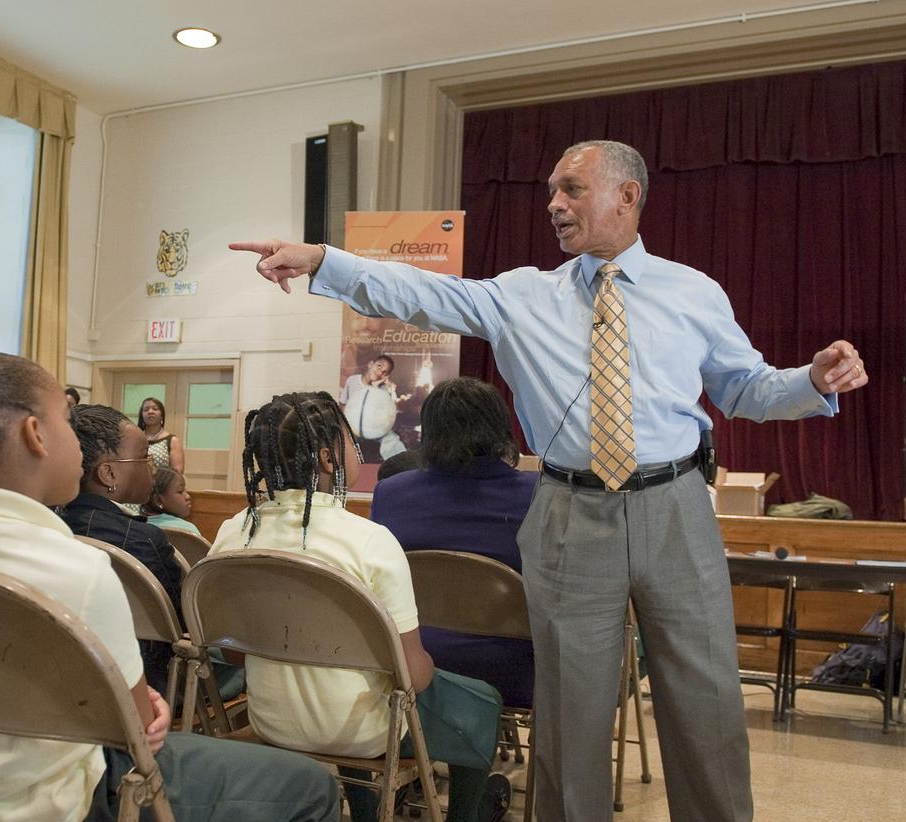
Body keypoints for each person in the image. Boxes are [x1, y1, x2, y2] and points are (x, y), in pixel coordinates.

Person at [231, 139, 868, 822]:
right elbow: (420, 292)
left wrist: (811, 380)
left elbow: (746, 389)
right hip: (570, 508)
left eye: (571, 189)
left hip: (677, 505)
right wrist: (325, 259)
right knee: (570, 713)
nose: (554, 206)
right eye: (549, 193)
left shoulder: (694, 292)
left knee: (706, 700)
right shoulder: (522, 297)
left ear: (627, 196)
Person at [0, 338, 340, 822]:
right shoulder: (79, 569)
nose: (76, 440)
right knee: (311, 785)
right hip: (61, 800)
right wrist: (147, 706)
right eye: (66, 423)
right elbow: (136, 728)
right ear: (35, 435)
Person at [210, 392, 510, 822]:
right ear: (330, 458)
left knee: (360, 684)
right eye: (353, 442)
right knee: (478, 701)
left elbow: (235, 653)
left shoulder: (232, 532)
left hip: (270, 722)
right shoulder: (369, 541)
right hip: (365, 735)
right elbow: (413, 676)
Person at [371, 377, 536, 709]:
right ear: (503, 430)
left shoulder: (390, 493)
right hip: (515, 671)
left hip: (412, 665)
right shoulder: (540, 494)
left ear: (427, 434)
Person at [61, 405, 185, 691]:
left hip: (63, 677)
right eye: (144, 458)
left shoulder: (50, 526)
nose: (153, 468)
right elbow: (177, 625)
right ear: (108, 474)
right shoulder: (143, 540)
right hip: (140, 683)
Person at [339, 354, 406, 460]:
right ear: (370, 364)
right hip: (353, 427)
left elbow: (385, 416)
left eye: (385, 372)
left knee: (392, 440)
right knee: (341, 439)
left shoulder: (382, 389)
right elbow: (343, 404)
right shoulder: (352, 381)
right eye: (379, 366)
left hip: (373, 428)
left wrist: (375, 386)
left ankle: (403, 465)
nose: (380, 372)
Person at [141, 467, 201, 535]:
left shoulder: (136, 526)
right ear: (158, 500)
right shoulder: (188, 530)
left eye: (185, 490)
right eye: (180, 491)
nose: (188, 496)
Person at [138, 397, 185, 473]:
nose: (150, 412)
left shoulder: (172, 441)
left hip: (163, 484)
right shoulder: (136, 439)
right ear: (142, 416)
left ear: (162, 415)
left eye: (155, 409)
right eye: (146, 409)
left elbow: (177, 472)